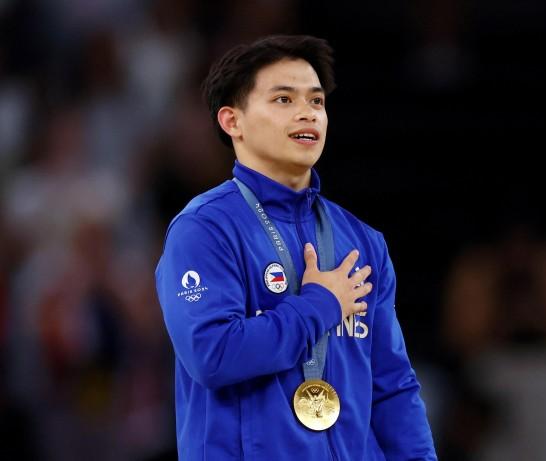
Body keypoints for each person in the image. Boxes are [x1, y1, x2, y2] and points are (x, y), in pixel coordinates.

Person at [155, 34, 437, 460]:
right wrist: (319, 305)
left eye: (317, 102)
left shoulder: (361, 241)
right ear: (232, 121)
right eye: (284, 100)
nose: (308, 113)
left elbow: (392, 386)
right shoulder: (203, 230)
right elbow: (213, 355)